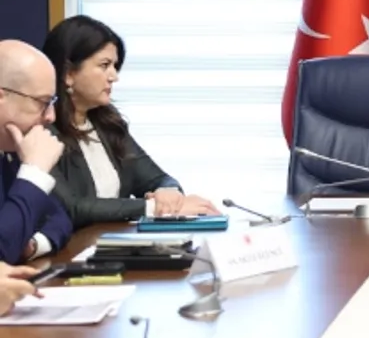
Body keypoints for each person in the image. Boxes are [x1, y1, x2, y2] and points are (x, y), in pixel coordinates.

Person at [44, 16, 219, 228]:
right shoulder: (43, 133)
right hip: (72, 247)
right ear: (68, 74)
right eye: (104, 65)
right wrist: (152, 208)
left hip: (114, 244)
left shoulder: (108, 125)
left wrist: (168, 193)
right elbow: (74, 208)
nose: (114, 76)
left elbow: (158, 179)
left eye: (115, 66)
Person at [0, 39, 72, 264]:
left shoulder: (9, 152)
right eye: (42, 102)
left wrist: (32, 244)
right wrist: (34, 173)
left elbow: (60, 218)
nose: (51, 116)